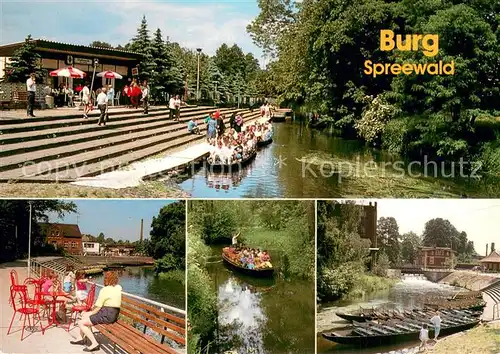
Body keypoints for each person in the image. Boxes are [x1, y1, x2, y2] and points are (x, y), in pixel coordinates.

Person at [70, 271, 122, 352]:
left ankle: (94, 344)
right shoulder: (118, 288)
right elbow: (118, 287)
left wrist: (89, 313)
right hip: (113, 314)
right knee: (84, 316)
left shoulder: (104, 290)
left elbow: (97, 308)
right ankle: (81, 338)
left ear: (106, 279)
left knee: (81, 322)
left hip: (106, 314)